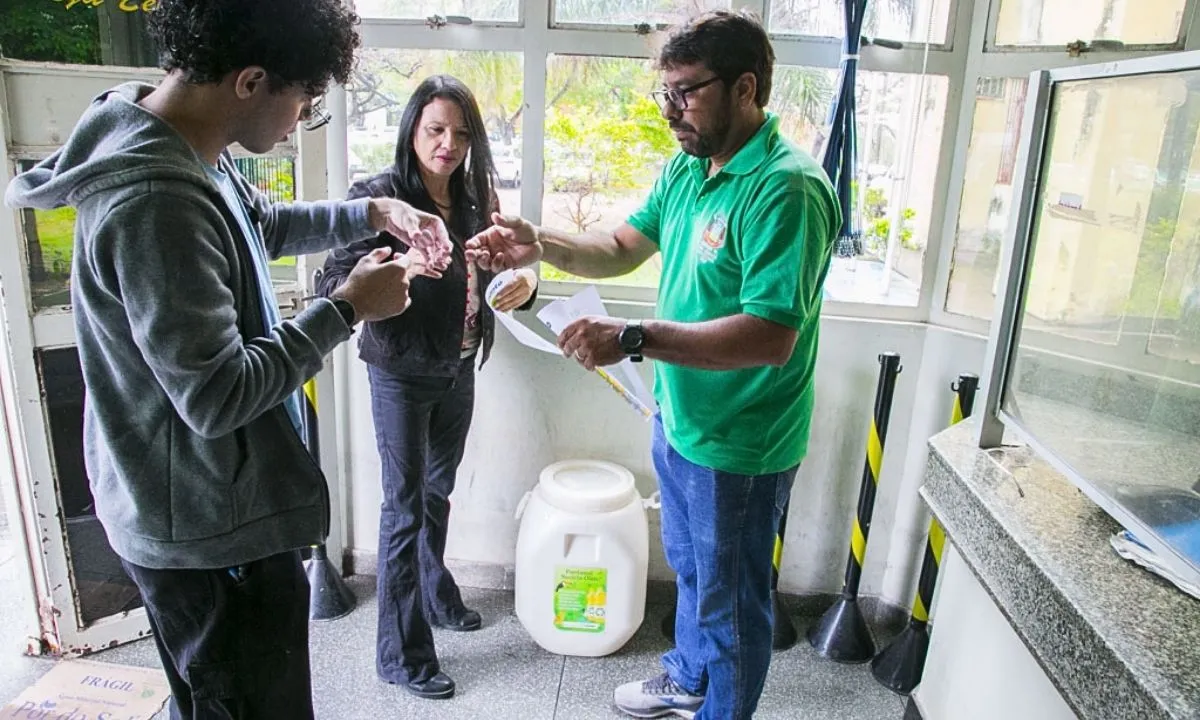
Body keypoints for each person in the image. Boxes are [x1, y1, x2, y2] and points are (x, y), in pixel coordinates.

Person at [3, 1, 454, 717]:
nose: (298, 123)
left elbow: (261, 223)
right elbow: (216, 396)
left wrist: (374, 212)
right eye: (303, 103)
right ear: (250, 82)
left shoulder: (181, 142)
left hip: (211, 512)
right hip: (210, 539)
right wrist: (346, 307)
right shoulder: (156, 199)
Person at [466, 10, 840, 720]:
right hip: (681, 420)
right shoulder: (690, 168)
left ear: (745, 87)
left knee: (731, 605)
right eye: (662, 95)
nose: (670, 112)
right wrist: (535, 241)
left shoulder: (786, 189)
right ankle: (688, 678)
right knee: (696, 577)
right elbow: (618, 245)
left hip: (742, 444)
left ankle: (719, 706)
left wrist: (631, 337)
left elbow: (768, 336)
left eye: (685, 94)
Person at [317, 75, 538, 701]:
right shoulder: (380, 197)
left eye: (461, 133)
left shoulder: (474, 200)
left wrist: (523, 286)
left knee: (436, 493)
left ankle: (435, 592)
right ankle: (401, 654)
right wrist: (403, 264)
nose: (449, 145)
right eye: (436, 129)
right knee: (403, 506)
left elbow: (499, 277)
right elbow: (336, 277)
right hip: (400, 371)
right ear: (412, 127)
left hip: (458, 367)